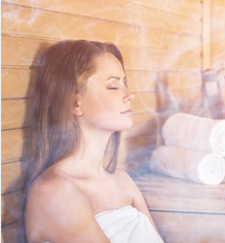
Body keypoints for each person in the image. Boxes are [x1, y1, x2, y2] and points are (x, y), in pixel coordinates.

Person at [21, 40, 164, 242]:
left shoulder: (122, 181)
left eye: (125, 83)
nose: (129, 95)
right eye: (113, 86)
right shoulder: (54, 192)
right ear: (75, 103)